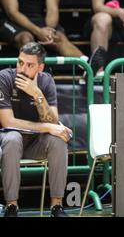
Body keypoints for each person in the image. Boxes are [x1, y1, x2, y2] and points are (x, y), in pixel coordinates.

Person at [0, 42, 73, 217]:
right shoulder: (5, 78)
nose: (22, 69)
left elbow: (53, 121)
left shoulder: (46, 81)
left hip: (35, 143)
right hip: (8, 140)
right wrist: (47, 127)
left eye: (29, 65)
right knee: (12, 138)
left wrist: (38, 95)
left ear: (40, 67)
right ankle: (12, 206)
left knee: (58, 140)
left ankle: (57, 206)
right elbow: (7, 121)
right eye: (20, 62)